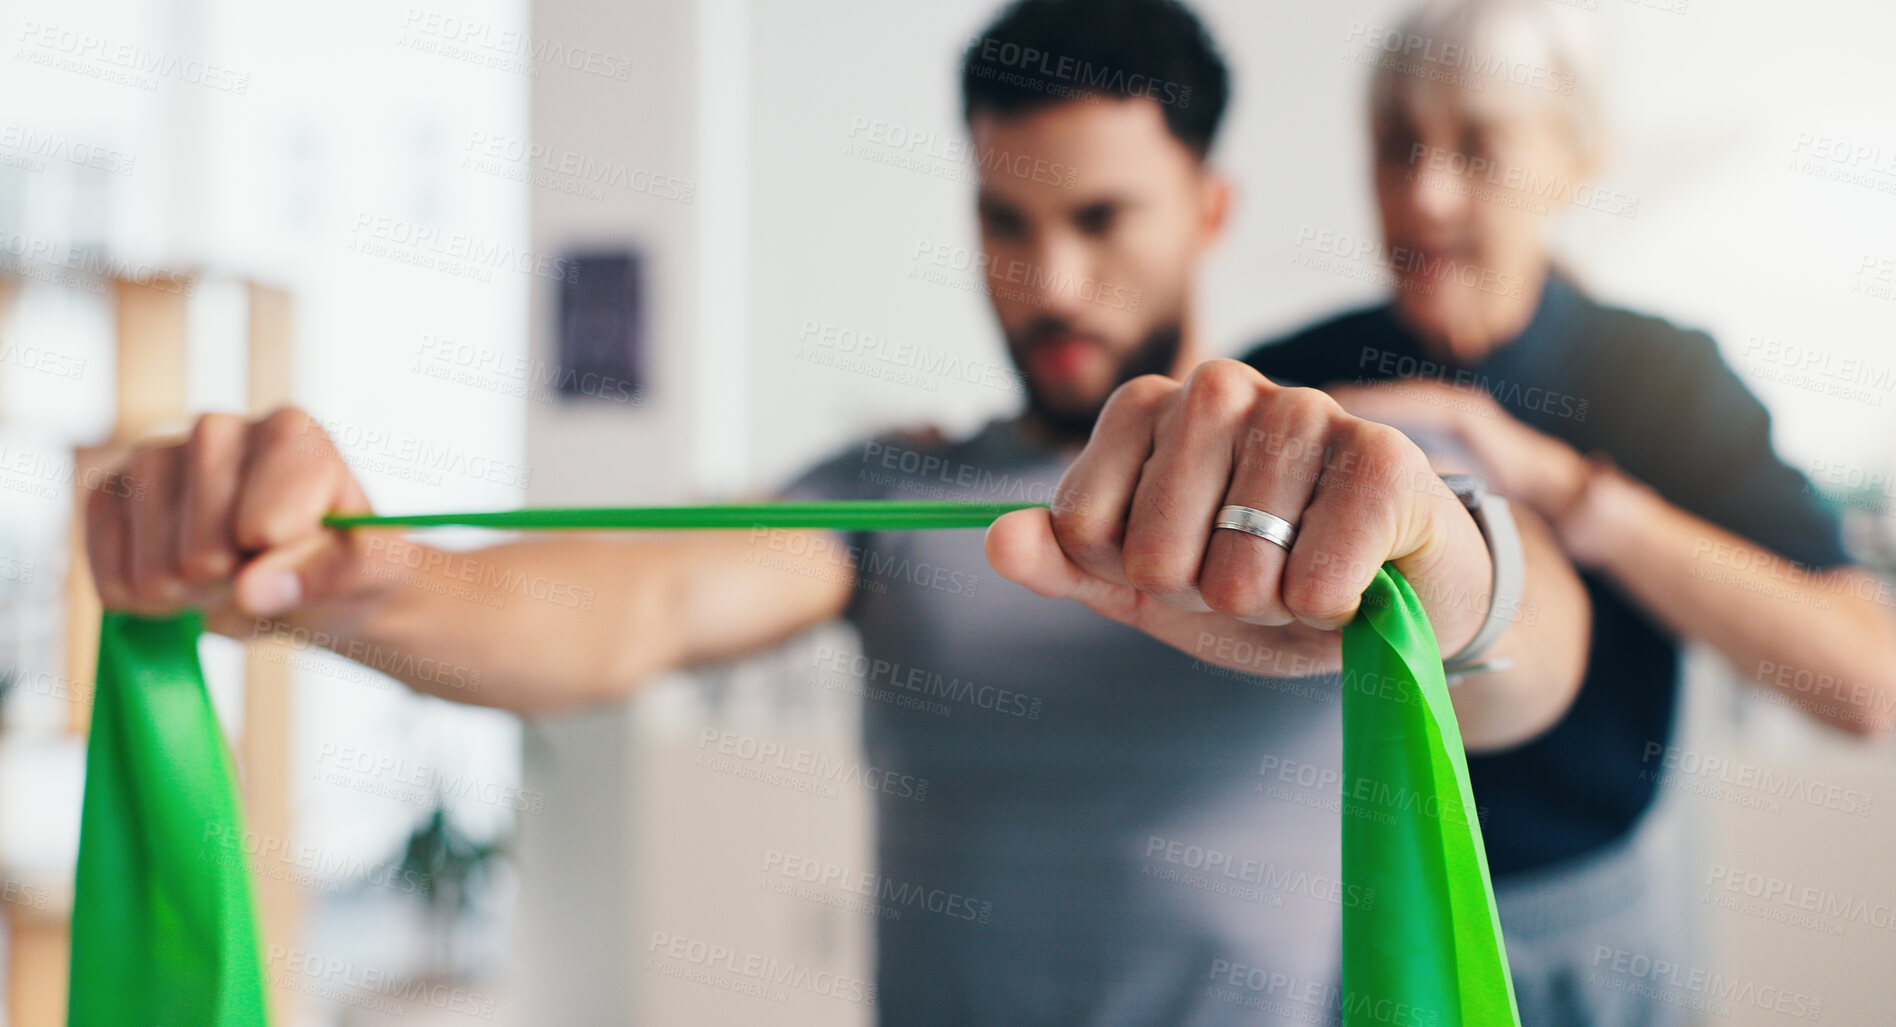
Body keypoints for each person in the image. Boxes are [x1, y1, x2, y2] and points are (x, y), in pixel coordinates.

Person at [85, 1, 1592, 1022]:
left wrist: (1434, 561)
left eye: (1098, 220)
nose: (1049, 283)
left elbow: (1520, 648)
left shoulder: (1328, 473)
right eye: (1005, 223)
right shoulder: (890, 489)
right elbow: (638, 602)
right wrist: (355, 580)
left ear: (1206, 210)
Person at [1241, 0, 1896, 1023]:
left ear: (1574, 159)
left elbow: (1869, 687)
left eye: (1478, 146)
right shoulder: (1296, 388)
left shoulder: (1663, 381)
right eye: (1395, 145)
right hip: (1336, 929)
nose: (1423, 193)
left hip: (1595, 946)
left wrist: (1561, 484)